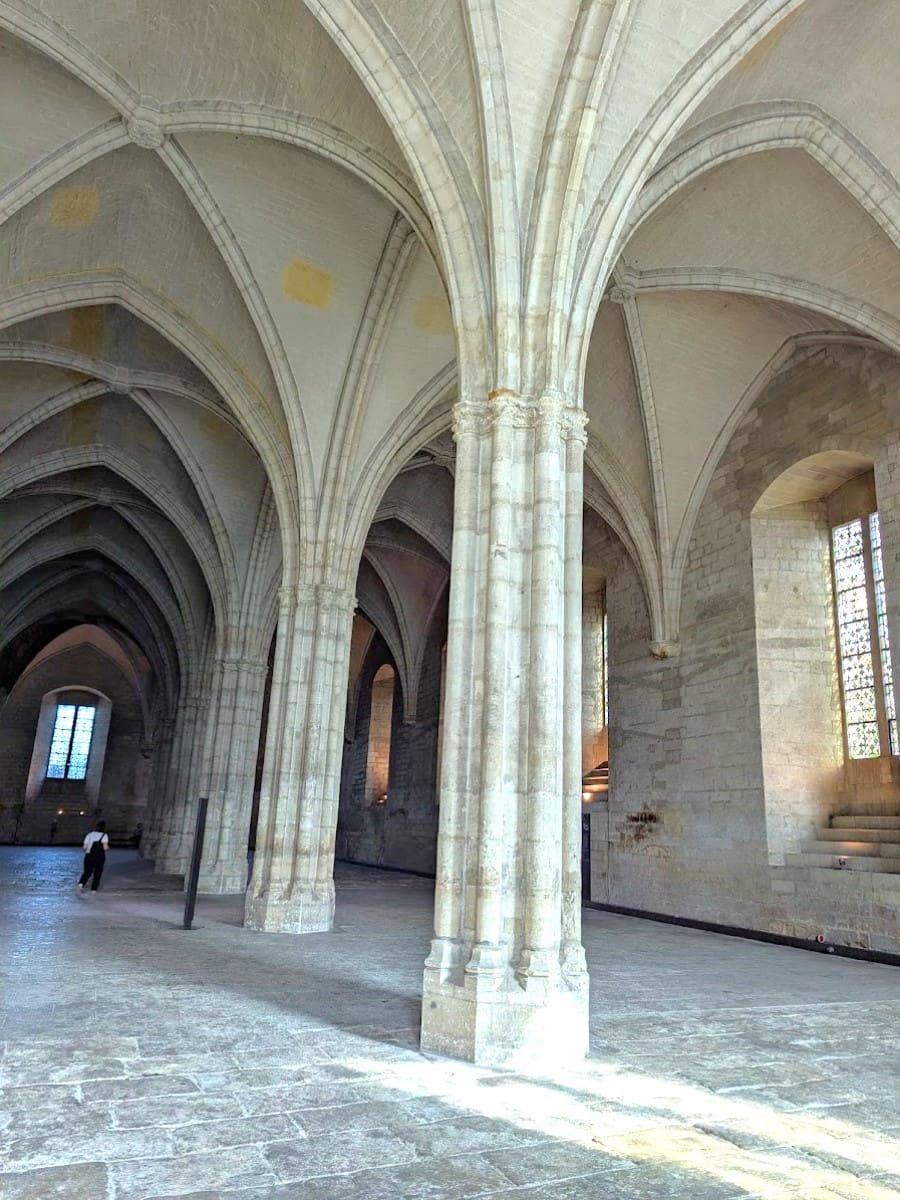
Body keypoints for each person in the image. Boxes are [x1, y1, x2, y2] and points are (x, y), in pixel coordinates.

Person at [78, 821, 109, 893]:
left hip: (89, 855)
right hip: (99, 857)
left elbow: (84, 847)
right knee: (98, 873)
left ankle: (81, 884)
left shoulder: (89, 834)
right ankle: (93, 889)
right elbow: (105, 848)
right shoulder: (104, 835)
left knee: (87, 871)